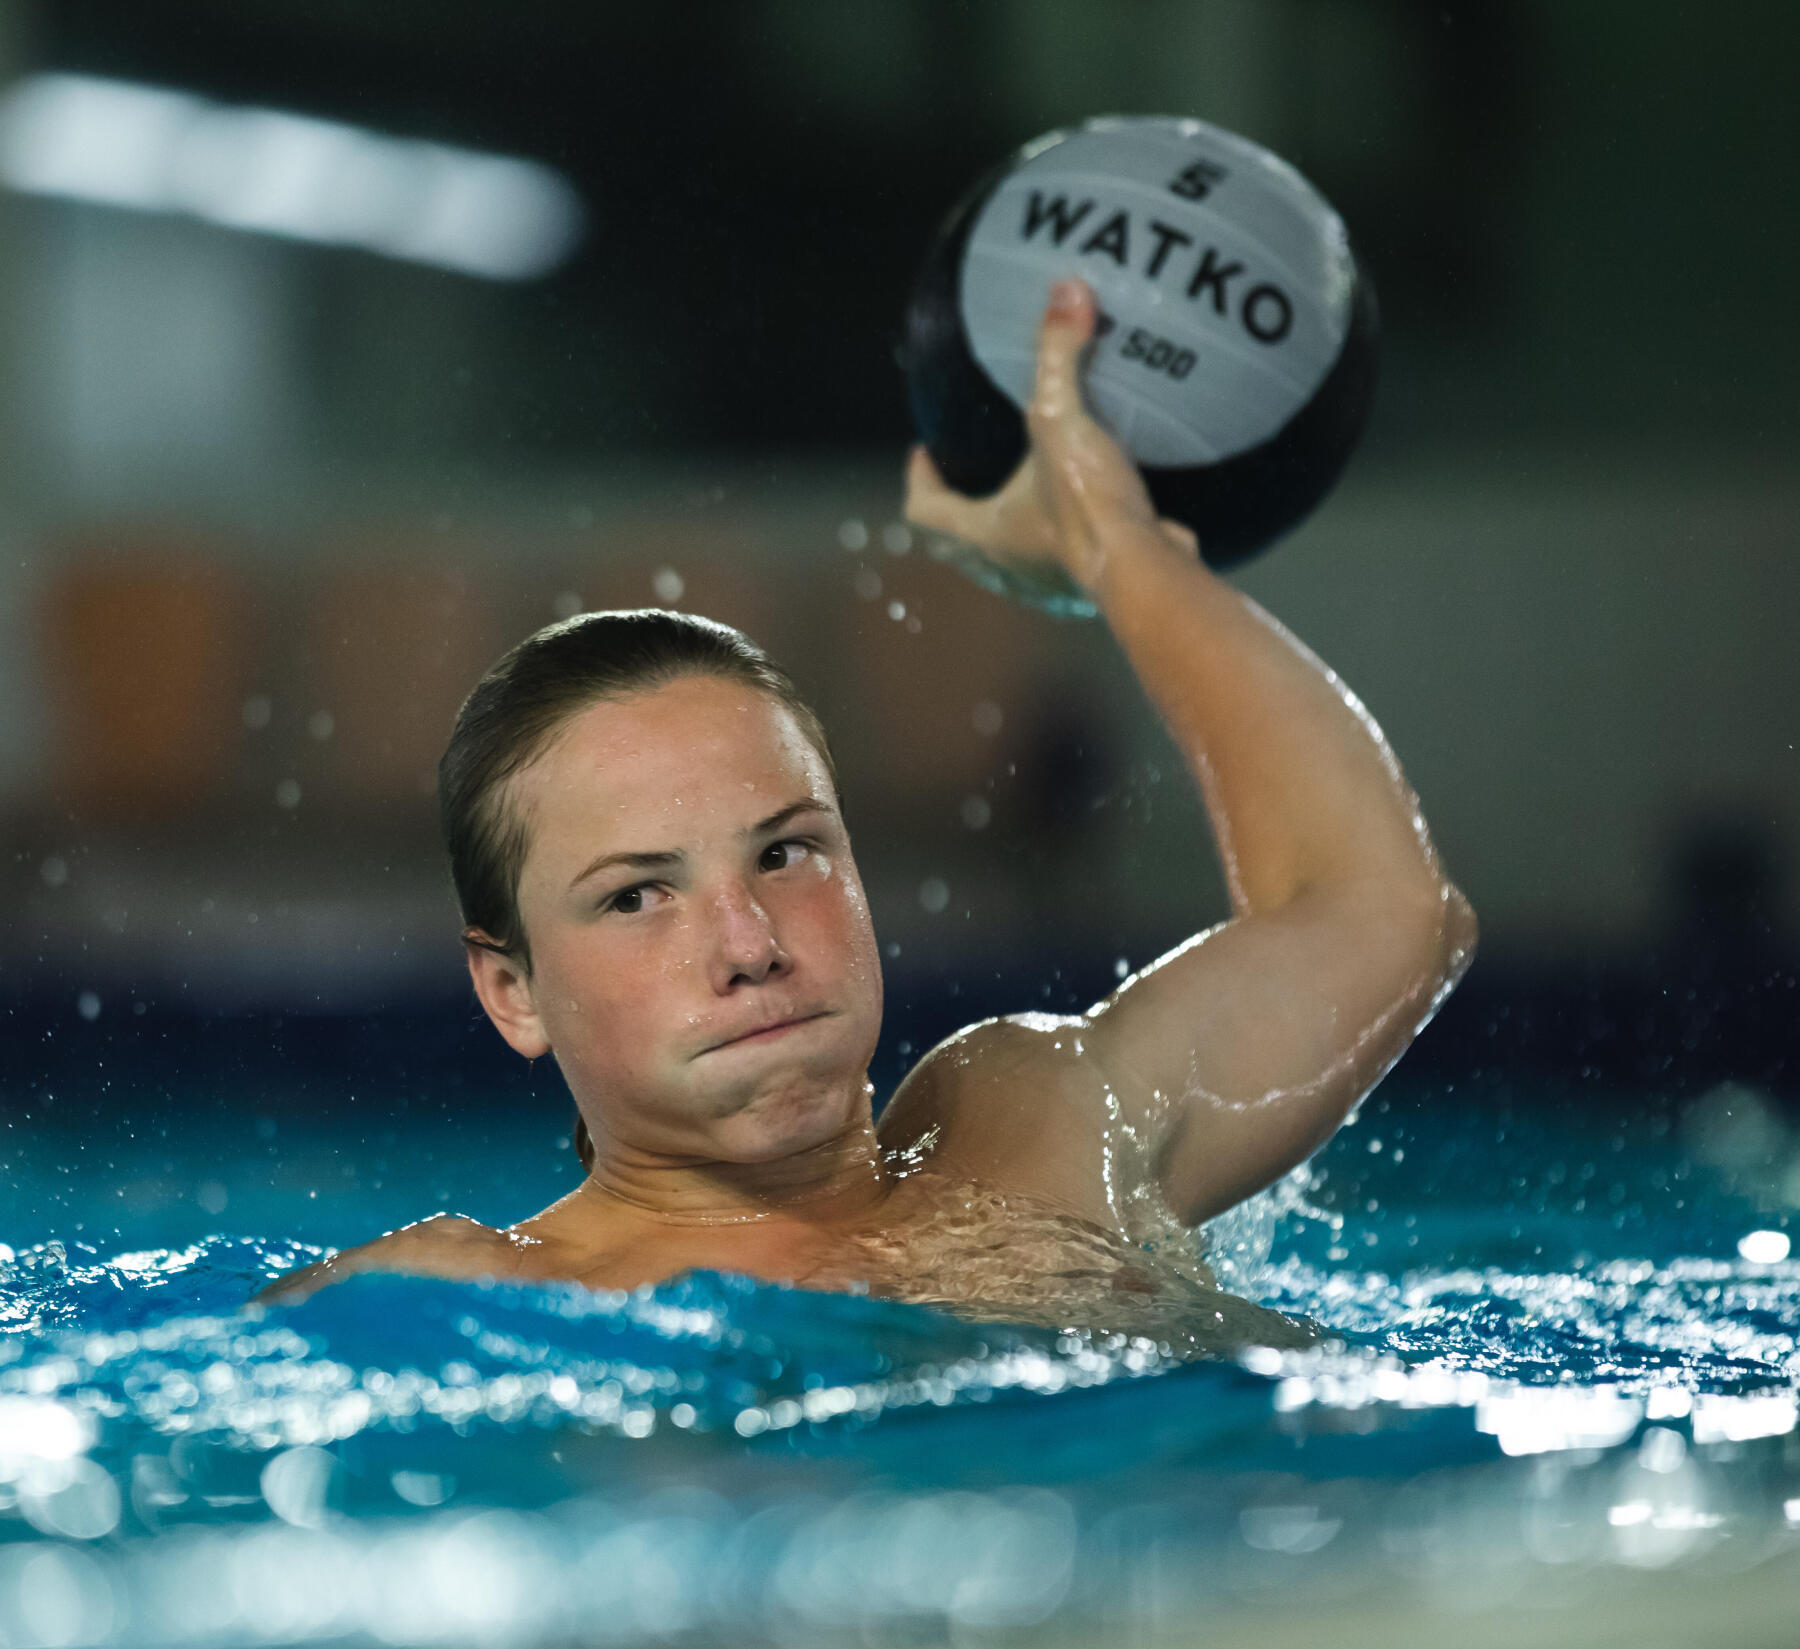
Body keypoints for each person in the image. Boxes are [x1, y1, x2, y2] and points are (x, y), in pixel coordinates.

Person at [259, 278, 1475, 1351]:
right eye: (638, 895)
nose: (750, 946)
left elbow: (1388, 913)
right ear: (510, 990)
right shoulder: (464, 1301)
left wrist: (1116, 545)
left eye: (786, 853)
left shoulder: (1035, 1122)